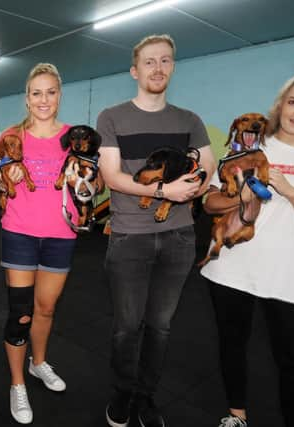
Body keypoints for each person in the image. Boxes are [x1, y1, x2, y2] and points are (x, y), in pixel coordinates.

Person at [201, 57, 294, 427]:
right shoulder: (247, 146)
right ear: (281, 105)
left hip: (289, 273)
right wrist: (239, 197)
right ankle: (236, 415)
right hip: (230, 268)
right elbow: (209, 201)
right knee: (233, 346)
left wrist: (292, 192)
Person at [97, 34, 215, 427]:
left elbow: (208, 167)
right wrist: (164, 189)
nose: (158, 68)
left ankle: (147, 397)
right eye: (149, 62)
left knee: (160, 327)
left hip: (179, 237)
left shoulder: (189, 120)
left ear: (173, 68)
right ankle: (123, 393)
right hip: (129, 235)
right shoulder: (111, 117)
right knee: (127, 326)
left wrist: (193, 187)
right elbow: (112, 176)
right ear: (135, 70)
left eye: (165, 61)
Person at [0, 62, 84, 425]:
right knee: (21, 312)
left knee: (45, 309)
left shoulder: (74, 138)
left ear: (59, 96)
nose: (43, 99)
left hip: (62, 234)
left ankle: (38, 363)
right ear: (27, 99)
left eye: (50, 92)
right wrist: (3, 178)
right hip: (19, 233)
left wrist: (83, 183)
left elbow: (94, 186)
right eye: (36, 93)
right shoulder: (11, 136)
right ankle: (17, 384)